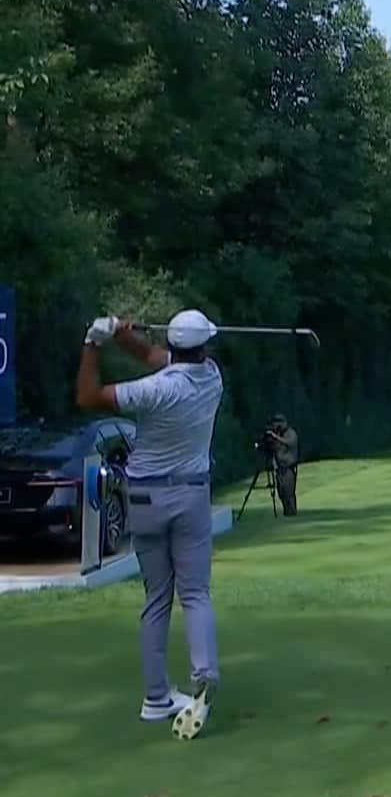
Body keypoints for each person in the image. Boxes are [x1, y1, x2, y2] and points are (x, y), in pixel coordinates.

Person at [76, 309, 223, 740]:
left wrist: (94, 342)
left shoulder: (152, 391)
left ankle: (156, 698)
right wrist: (123, 334)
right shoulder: (212, 377)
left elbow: (88, 397)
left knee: (157, 597)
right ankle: (204, 673)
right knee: (194, 592)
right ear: (204, 348)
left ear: (175, 346)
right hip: (191, 494)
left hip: (144, 498)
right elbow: (159, 356)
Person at [267, 414, 298, 516]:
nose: (277, 426)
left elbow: (289, 443)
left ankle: (292, 511)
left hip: (289, 467)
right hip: (279, 467)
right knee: (281, 491)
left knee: (289, 491)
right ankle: (286, 512)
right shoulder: (278, 434)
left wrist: (275, 437)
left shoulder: (291, 433)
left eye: (279, 423)